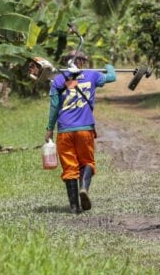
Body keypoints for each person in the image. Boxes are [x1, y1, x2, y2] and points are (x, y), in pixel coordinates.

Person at [45, 50, 116, 214]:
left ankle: (74, 207)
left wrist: (49, 129)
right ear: (82, 62)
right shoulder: (93, 75)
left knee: (70, 167)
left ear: (67, 62)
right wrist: (109, 67)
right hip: (85, 130)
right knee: (87, 162)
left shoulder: (58, 80)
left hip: (64, 131)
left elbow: (55, 107)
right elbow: (112, 77)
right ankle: (83, 188)